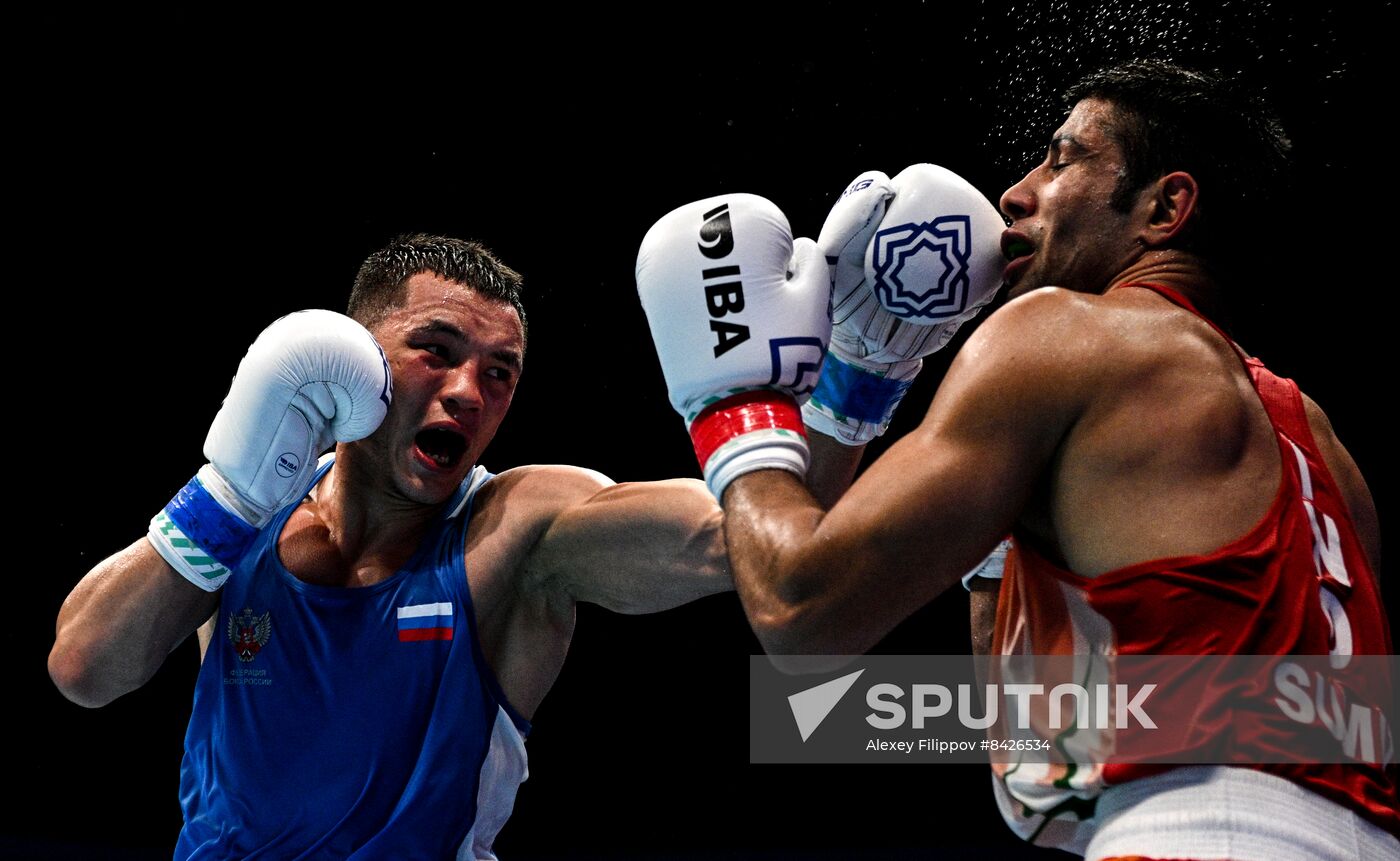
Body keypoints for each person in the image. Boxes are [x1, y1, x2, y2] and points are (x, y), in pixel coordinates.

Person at [635, 60, 1396, 859]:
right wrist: (870, 383)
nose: (1017, 193)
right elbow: (1038, 768)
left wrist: (731, 401)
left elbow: (803, 612)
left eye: (1063, 159)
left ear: (1165, 207)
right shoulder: (1323, 449)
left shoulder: (1065, 334)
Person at [48, 234, 731, 859]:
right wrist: (227, 498)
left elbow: (725, 542)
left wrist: (772, 406)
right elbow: (84, 668)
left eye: (500, 372)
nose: (468, 392)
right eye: (435, 349)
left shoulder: (517, 525)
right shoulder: (248, 508)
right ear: (355, 358)